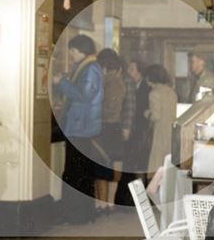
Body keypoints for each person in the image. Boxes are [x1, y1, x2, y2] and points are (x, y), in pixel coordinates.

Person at [52, 34, 104, 224]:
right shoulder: (86, 68)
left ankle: (76, 216)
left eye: (73, 51)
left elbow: (83, 95)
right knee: (80, 173)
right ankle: (82, 214)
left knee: (75, 173)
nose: (71, 54)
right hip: (81, 127)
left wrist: (62, 83)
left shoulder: (90, 69)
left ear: (80, 50)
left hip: (80, 128)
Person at [94, 48, 126, 213]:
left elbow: (108, 107)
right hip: (115, 127)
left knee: (102, 165)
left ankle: (103, 204)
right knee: (114, 164)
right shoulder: (119, 81)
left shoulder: (109, 82)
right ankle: (110, 203)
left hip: (105, 126)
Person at [114, 59, 150, 205]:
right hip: (132, 130)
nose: (129, 72)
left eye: (132, 70)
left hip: (140, 131)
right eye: (128, 69)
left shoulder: (146, 88)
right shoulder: (130, 85)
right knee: (129, 163)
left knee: (136, 164)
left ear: (140, 72)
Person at [143, 64, 178, 177]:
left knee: (157, 166)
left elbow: (155, 116)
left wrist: (146, 113)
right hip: (171, 133)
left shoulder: (153, 93)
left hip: (159, 133)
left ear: (150, 78)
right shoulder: (172, 92)